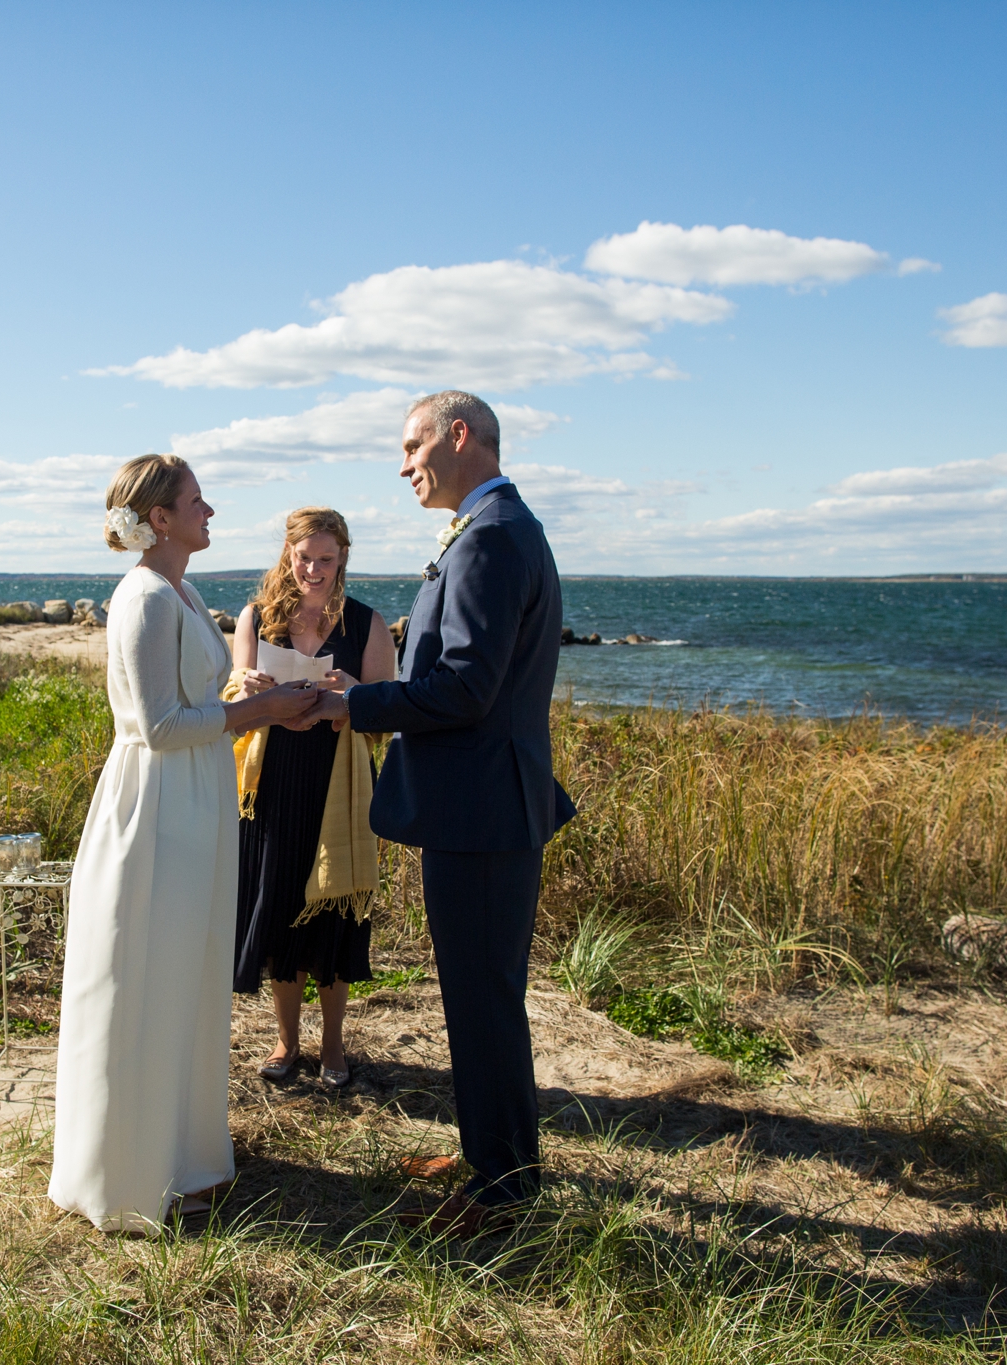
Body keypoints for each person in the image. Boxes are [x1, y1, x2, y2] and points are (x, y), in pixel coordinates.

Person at [295, 391, 575, 1236]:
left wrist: (361, 706)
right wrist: (369, 690)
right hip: (483, 806)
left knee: (485, 999)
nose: (404, 462)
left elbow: (467, 688)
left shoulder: (490, 537)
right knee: (478, 995)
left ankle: (501, 1193)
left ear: (462, 437)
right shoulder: (495, 528)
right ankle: (493, 1155)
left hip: (483, 811)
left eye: (413, 444)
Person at [47, 454, 320, 1235]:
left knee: (186, 972)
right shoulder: (141, 599)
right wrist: (264, 715)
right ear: (159, 518)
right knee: (147, 973)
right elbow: (158, 726)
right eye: (197, 501)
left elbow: (201, 697)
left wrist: (262, 696)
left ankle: (180, 1153)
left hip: (197, 797)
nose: (211, 511)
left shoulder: (186, 590)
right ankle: (131, 1170)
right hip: (157, 804)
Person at [227, 508, 398, 1089]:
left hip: (338, 787)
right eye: (304, 557)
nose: (314, 569)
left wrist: (356, 696)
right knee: (277, 910)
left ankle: (332, 1046)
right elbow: (232, 699)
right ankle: (285, 1040)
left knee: (330, 913)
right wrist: (245, 687)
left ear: (343, 557)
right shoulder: (256, 618)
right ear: (287, 553)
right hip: (271, 786)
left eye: (326, 558)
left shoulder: (367, 625)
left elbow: (386, 719)